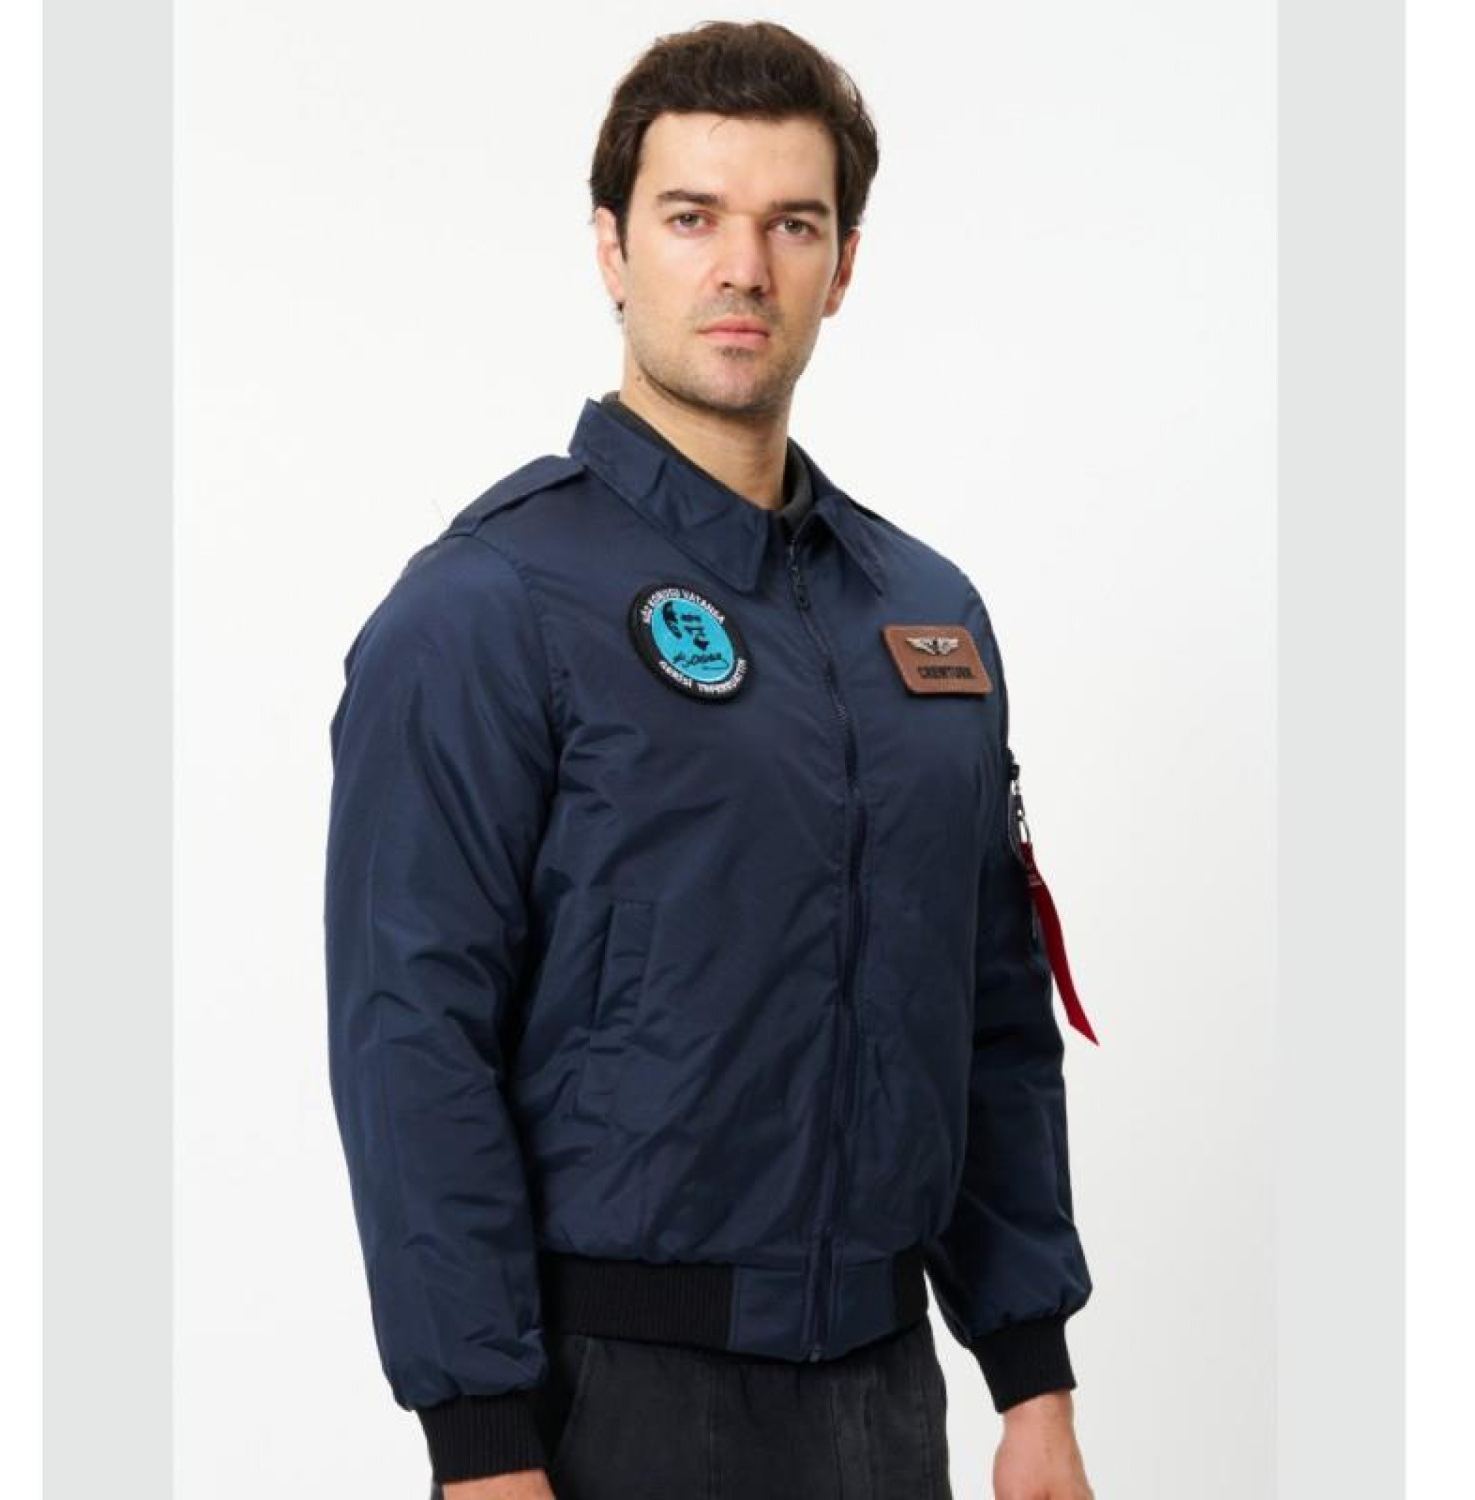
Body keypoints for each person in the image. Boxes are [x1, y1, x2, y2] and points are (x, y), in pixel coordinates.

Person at [324, 20, 1099, 1500]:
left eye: (791, 224)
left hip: (886, 1399)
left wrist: (1033, 1376)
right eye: (693, 218)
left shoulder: (925, 614)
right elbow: (411, 1038)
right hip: (605, 1403)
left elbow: (988, 1011)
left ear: (842, 265)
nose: (743, 266)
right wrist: (480, 1442)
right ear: (611, 249)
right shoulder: (485, 607)